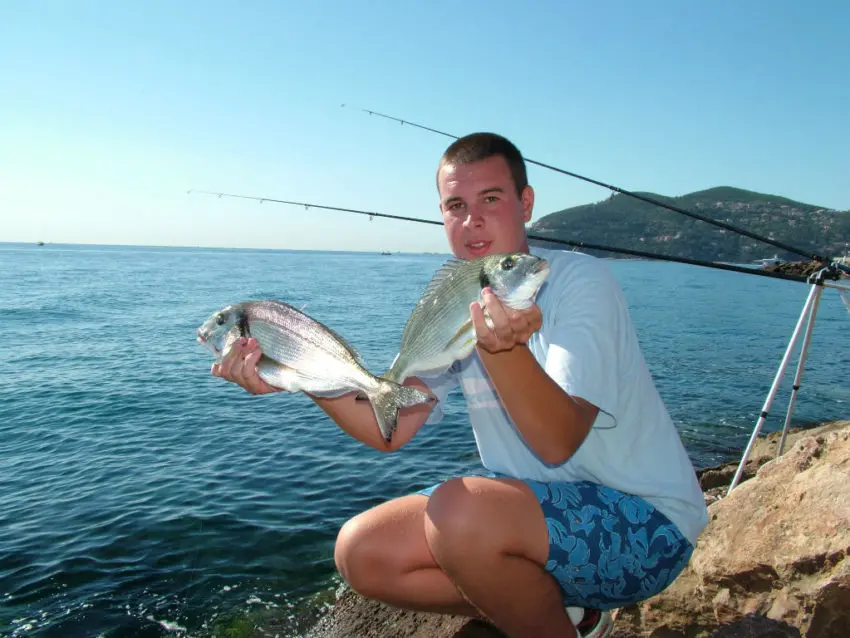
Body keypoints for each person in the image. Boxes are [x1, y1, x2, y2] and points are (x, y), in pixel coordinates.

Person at [212, 132, 709, 638]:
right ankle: (565, 613)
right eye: (455, 205)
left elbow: (558, 441)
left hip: (647, 526)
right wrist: (301, 374)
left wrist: (501, 350)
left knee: (459, 511)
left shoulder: (580, 284)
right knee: (362, 551)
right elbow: (389, 429)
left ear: (526, 203)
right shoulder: (452, 303)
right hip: (536, 520)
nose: (472, 220)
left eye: (490, 199)